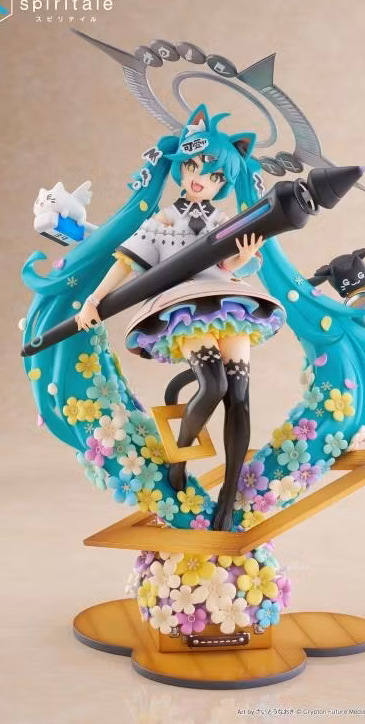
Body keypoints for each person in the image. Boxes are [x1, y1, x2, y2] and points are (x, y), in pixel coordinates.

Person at [74, 105, 286, 530]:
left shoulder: (226, 220)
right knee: (213, 384)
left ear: (223, 182)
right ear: (180, 168)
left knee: (239, 395)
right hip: (185, 308)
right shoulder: (163, 221)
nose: (199, 177)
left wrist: (241, 259)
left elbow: (233, 265)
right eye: (192, 166)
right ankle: (180, 456)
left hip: (229, 304)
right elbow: (128, 262)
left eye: (212, 174)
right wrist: (93, 299)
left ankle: (228, 494)